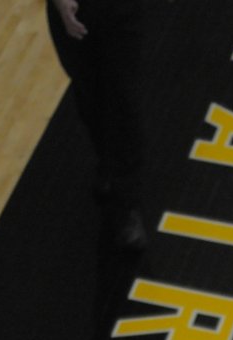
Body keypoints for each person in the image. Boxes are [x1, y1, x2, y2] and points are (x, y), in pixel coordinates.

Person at [47, 0, 147, 250]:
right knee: (90, 102)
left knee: (123, 106)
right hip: (75, 16)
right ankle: (108, 163)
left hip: (119, 14)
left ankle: (126, 203)